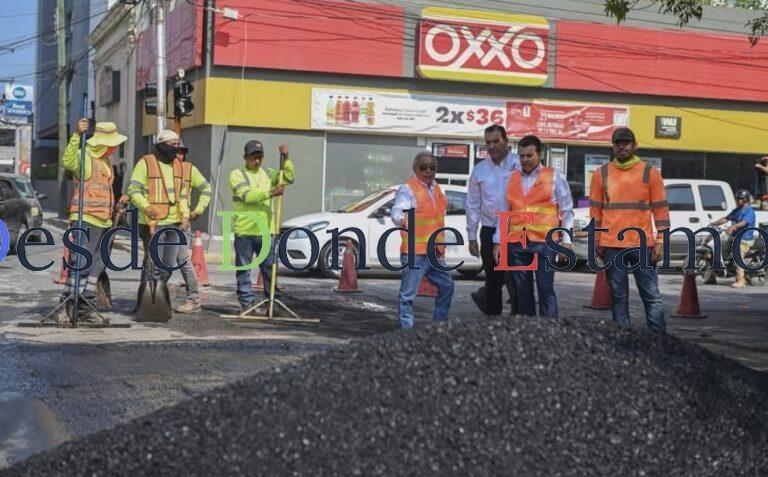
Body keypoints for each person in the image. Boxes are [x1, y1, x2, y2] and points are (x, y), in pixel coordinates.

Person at [589, 127, 670, 332]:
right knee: (618, 296)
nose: (622, 146)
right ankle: (624, 340)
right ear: (613, 146)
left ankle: (659, 340)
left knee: (651, 295)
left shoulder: (650, 173)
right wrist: (596, 241)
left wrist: (661, 241)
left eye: (626, 142)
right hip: (611, 245)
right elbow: (595, 212)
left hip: (643, 245)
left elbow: (660, 209)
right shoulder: (601, 174)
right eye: (618, 143)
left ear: (635, 145)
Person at [491, 135, 573, 317]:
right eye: (522, 156)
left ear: (539, 154)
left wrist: (566, 242)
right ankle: (529, 332)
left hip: (545, 243)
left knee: (545, 289)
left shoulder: (555, 177)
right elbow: (503, 213)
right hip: (517, 244)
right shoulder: (510, 179)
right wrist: (498, 242)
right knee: (522, 291)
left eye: (529, 156)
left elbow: (567, 211)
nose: (525, 160)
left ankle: (549, 331)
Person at [55, 118, 127, 323]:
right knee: (80, 263)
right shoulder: (85, 157)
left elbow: (104, 191)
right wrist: (77, 135)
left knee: (98, 264)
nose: (115, 148)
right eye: (112, 144)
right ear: (103, 143)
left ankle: (86, 306)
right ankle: (67, 305)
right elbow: (68, 162)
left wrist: (116, 206)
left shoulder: (106, 162)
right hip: (85, 218)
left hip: (104, 220)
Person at [229, 140, 295, 314]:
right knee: (244, 270)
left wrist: (286, 159)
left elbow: (288, 177)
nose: (256, 161)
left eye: (259, 157)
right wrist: (271, 193)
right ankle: (247, 305)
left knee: (269, 269)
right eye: (253, 157)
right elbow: (247, 196)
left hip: (267, 230)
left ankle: (273, 303)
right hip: (245, 231)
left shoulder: (268, 173)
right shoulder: (237, 174)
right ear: (245, 157)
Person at [128, 130, 191, 311]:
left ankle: (155, 296)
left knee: (169, 265)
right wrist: (146, 206)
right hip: (151, 222)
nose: (176, 148)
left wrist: (185, 214)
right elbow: (134, 191)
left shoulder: (178, 166)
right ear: (161, 146)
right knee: (151, 264)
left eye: (178, 144)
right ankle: (144, 304)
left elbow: (183, 194)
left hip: (174, 222)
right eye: (173, 145)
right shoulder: (146, 163)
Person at [391, 152, 455, 329]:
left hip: (434, 252)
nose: (428, 171)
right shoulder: (408, 189)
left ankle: (439, 326)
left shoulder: (437, 189)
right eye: (423, 167)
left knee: (447, 286)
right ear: (415, 168)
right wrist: (401, 219)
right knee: (407, 296)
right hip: (415, 252)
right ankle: (406, 333)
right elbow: (397, 210)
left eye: (432, 167)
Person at [466, 124, 520, 316]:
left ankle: (519, 323)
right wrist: (472, 236)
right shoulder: (479, 170)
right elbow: (472, 204)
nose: (492, 146)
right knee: (493, 281)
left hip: (516, 230)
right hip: (489, 230)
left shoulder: (520, 164)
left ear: (506, 140)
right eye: (488, 142)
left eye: (496, 141)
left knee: (517, 280)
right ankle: (493, 325)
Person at [172, 141, 213, 313]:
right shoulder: (159, 168)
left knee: (183, 260)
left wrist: (197, 211)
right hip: (159, 221)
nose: (179, 156)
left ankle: (194, 298)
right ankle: (151, 300)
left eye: (182, 153)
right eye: (176, 152)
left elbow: (206, 189)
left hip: (181, 222)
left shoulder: (189, 169)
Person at [711, 189, 756, 288]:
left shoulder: (750, 211)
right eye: (736, 199)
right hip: (734, 237)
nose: (736, 201)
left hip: (745, 239)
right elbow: (726, 218)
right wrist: (713, 223)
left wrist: (733, 227)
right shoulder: (737, 210)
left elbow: (743, 222)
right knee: (720, 252)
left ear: (744, 200)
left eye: (738, 199)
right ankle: (712, 276)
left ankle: (741, 281)